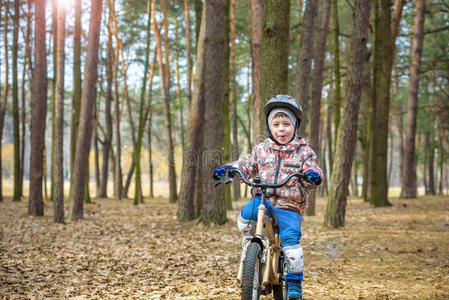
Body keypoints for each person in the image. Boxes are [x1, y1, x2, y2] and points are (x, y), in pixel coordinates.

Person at [213, 94, 323, 300]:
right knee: (248, 212)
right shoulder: (261, 150)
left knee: (291, 241)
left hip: (289, 205)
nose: (281, 129)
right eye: (276, 124)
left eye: (286, 124)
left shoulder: (304, 152)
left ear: (295, 125)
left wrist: (312, 175)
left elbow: (312, 169)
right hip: (263, 200)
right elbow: (247, 163)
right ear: (269, 127)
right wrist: (229, 169)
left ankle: (294, 282)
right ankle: (251, 246)